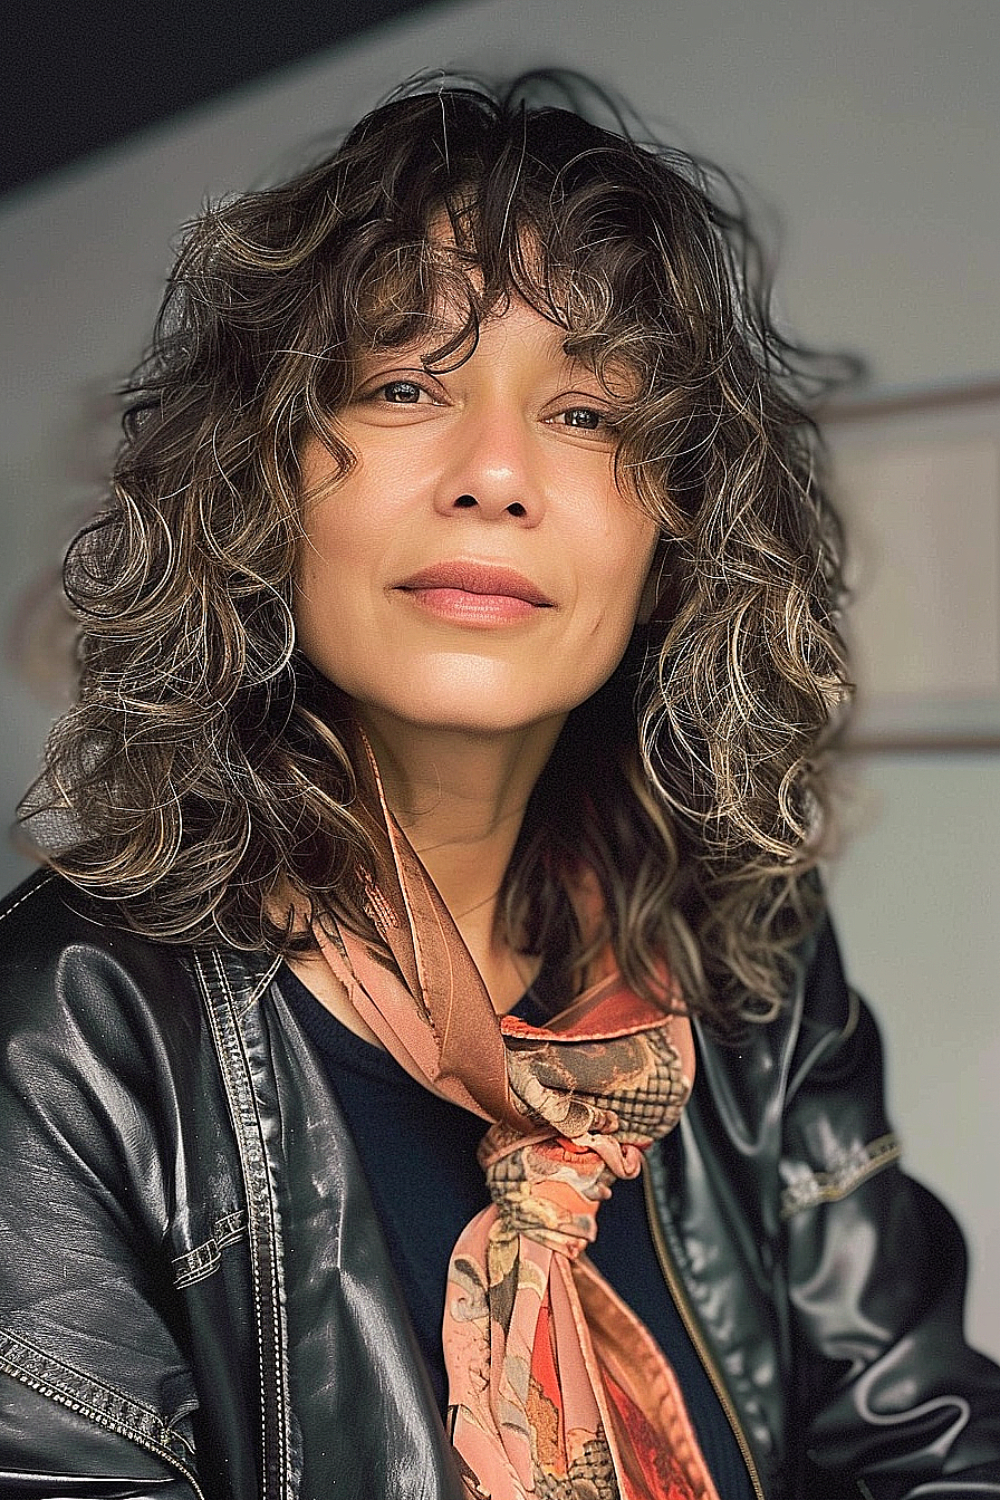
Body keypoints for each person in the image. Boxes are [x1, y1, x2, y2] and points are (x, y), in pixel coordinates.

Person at [0, 73, 997, 1500]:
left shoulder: (750, 961)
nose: (496, 475)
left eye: (588, 413)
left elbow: (927, 1441)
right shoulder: (66, 1039)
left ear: (678, 539)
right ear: (264, 485)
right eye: (405, 384)